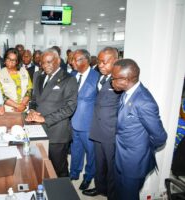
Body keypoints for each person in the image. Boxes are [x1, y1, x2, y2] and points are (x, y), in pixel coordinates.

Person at [111, 58, 167, 200]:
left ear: (126, 79)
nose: (111, 81)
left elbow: (160, 137)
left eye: (113, 78)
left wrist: (141, 149)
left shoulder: (144, 102)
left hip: (133, 163)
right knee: (118, 194)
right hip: (120, 157)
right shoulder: (127, 92)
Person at [26, 48, 78, 177]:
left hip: (57, 133)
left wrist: (45, 119)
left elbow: (70, 107)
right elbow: (34, 99)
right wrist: (32, 110)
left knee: (59, 169)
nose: (45, 65)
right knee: (41, 167)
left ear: (58, 61)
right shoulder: (39, 76)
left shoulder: (69, 79)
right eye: (43, 63)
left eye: (49, 62)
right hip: (38, 130)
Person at [83, 47, 121, 199]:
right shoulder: (100, 76)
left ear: (116, 61)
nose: (101, 65)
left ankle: (111, 195)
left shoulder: (120, 80)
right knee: (99, 163)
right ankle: (100, 188)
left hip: (111, 131)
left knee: (112, 168)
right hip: (97, 128)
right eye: (99, 62)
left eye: (105, 62)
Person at [69, 50, 99, 191]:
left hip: (88, 124)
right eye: (72, 60)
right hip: (73, 122)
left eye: (75, 60)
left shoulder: (97, 77)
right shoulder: (72, 75)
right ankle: (74, 173)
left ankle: (88, 177)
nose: (72, 62)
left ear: (85, 60)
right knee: (75, 150)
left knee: (91, 153)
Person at [0, 48, 32, 112]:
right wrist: (17, 106)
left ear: (17, 61)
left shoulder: (24, 71)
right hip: (9, 110)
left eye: (14, 60)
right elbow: (1, 94)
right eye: (8, 59)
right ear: (5, 59)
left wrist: (22, 105)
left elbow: (29, 89)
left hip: (24, 108)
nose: (11, 62)